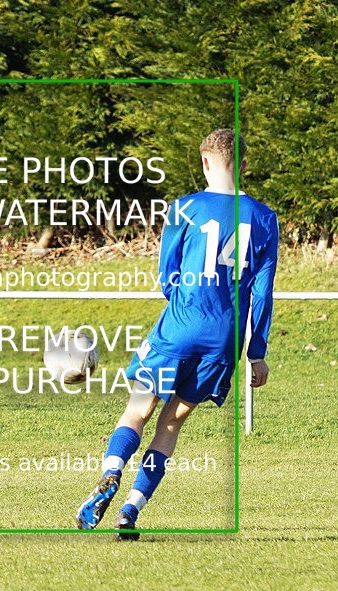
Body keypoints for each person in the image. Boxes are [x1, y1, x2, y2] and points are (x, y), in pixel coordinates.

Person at [76, 129, 278, 539]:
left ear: (205, 162)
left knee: (137, 410)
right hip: (223, 341)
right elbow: (262, 291)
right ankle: (130, 511)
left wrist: (184, 300)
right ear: (243, 164)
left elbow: (167, 276)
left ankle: (111, 472)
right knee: (170, 426)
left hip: (179, 328)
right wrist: (256, 352)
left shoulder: (183, 209)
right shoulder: (264, 218)